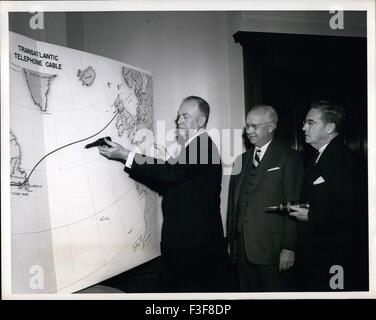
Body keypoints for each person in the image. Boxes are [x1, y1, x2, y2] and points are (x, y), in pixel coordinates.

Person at [98, 96, 228, 292]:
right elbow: (175, 180)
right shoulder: (193, 147)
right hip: (184, 243)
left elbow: (170, 173)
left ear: (201, 121)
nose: (179, 120)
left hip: (194, 247)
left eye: (185, 116)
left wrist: (126, 155)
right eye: (178, 116)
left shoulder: (202, 147)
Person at [226, 105, 304, 292]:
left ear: (271, 127)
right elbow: (232, 204)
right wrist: (232, 242)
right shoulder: (241, 160)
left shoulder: (289, 158)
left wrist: (289, 247)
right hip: (243, 249)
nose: (249, 131)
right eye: (247, 126)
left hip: (273, 249)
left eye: (254, 126)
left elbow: (294, 204)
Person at [290, 100, 365, 291]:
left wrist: (310, 215)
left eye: (311, 122)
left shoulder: (345, 160)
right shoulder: (317, 156)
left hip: (334, 256)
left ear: (330, 127)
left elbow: (352, 212)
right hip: (316, 255)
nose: (304, 127)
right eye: (305, 122)